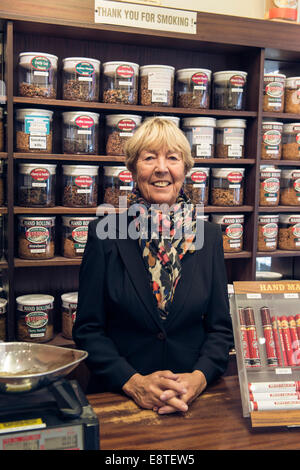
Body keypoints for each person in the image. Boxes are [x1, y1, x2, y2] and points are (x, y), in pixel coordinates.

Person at [73, 117, 233, 415]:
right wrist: (133, 383)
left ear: (185, 169)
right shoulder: (105, 234)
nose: (162, 168)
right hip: (120, 400)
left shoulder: (208, 237)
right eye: (149, 158)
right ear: (133, 170)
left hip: (193, 401)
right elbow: (88, 330)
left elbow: (220, 329)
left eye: (172, 158)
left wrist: (197, 380)